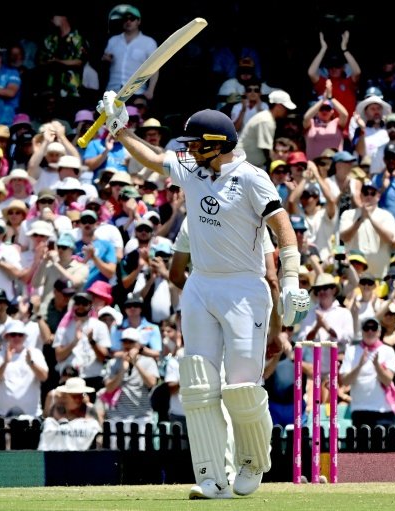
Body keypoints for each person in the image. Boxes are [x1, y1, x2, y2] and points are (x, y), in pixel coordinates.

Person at [99, 96, 309, 499]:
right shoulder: (193, 171)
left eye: (197, 144)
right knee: (198, 383)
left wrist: (291, 279)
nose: (190, 150)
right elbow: (153, 158)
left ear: (218, 144)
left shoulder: (251, 177)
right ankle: (213, 477)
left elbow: (283, 228)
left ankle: (252, 461)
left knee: (242, 387)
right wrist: (120, 128)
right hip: (201, 286)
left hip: (244, 289)